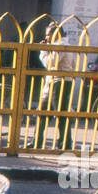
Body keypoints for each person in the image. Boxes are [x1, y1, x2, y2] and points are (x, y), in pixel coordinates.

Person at [33, 22, 82, 152]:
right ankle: (63, 143)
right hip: (62, 81)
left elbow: (51, 63)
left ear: (55, 34)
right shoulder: (66, 44)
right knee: (55, 112)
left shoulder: (59, 45)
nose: (47, 38)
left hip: (58, 82)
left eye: (48, 34)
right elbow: (74, 63)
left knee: (50, 112)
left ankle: (43, 142)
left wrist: (43, 51)